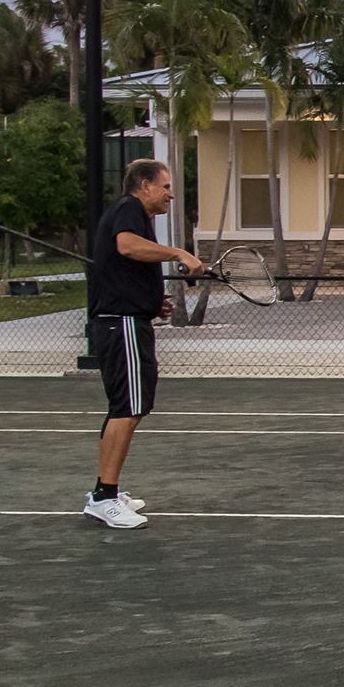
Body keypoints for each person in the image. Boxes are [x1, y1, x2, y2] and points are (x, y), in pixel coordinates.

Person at [84, 158, 204, 530]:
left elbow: (126, 265)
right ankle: (105, 497)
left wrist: (153, 301)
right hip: (120, 326)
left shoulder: (137, 216)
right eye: (165, 186)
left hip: (127, 320)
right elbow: (126, 246)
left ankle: (104, 492)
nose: (170, 193)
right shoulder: (128, 210)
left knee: (126, 407)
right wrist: (178, 253)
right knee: (128, 408)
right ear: (144, 185)